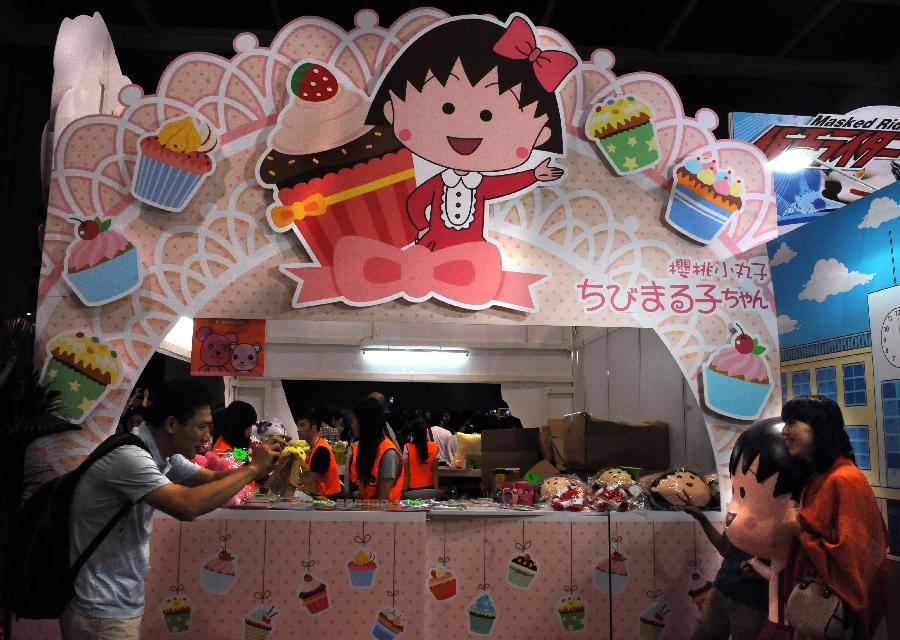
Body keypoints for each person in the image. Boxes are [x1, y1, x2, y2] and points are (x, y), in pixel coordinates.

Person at [60, 379, 284, 640]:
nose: (206, 436)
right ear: (171, 424)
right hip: (99, 604)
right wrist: (253, 469)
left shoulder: (164, 456)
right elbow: (186, 506)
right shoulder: (130, 458)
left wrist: (260, 468)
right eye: (201, 426)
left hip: (116, 599)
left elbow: (212, 480)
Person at [366, 14, 573, 251]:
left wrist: (533, 175)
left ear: (541, 135)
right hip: (434, 243)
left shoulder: (480, 185)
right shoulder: (437, 182)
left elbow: (505, 184)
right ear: (391, 109)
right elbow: (416, 202)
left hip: (472, 249)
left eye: (488, 116)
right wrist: (422, 227)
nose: (465, 128)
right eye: (447, 108)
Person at [780, 396, 889, 639]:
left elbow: (855, 556)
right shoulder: (818, 478)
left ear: (820, 427)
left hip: (837, 610)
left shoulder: (845, 479)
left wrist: (799, 529)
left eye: (792, 422)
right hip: (818, 605)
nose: (785, 431)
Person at [680, 493, 769, 640]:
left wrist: (763, 570)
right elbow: (725, 548)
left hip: (752, 600)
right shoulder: (737, 508)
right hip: (722, 588)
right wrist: (701, 517)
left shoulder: (777, 514)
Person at [352, 396, 404, 501]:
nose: (352, 424)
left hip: (386, 514)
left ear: (365, 423)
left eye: (354, 420)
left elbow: (383, 501)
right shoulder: (366, 447)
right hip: (367, 512)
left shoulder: (388, 453)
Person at [294, 407, 342, 500]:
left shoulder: (321, 450)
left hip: (327, 499)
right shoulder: (314, 447)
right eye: (298, 426)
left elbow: (310, 481)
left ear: (314, 428)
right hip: (319, 496)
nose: (298, 429)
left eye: (302, 425)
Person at [402, 418, 439, 491]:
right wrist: (436, 490)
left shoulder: (407, 447)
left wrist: (404, 490)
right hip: (429, 489)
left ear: (412, 433)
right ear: (426, 432)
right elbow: (435, 471)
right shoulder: (435, 447)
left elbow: (406, 473)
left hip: (412, 489)